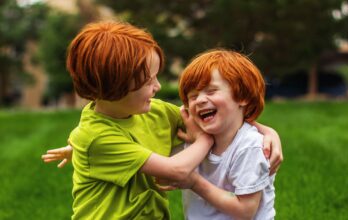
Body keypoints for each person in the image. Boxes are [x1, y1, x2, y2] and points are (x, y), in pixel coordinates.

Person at [41, 21, 283, 219]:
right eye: (148, 82)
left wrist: (267, 132)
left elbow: (215, 116)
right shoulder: (96, 138)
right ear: (116, 88)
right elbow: (177, 170)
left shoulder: (153, 111)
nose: (157, 87)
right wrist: (204, 140)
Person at [166, 49, 276, 219]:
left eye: (211, 91)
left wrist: (194, 182)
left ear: (242, 96)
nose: (200, 100)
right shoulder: (196, 141)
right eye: (193, 97)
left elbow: (246, 211)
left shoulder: (249, 145)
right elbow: (164, 168)